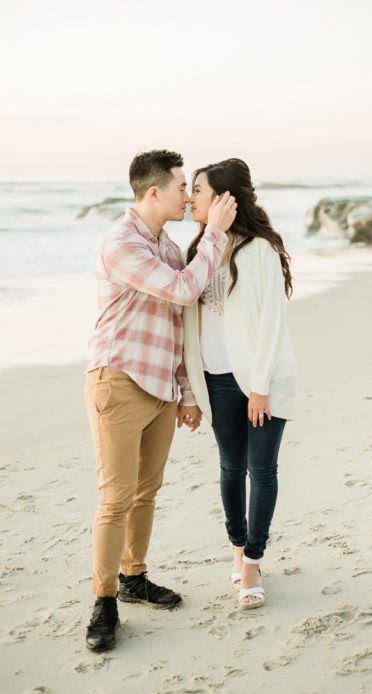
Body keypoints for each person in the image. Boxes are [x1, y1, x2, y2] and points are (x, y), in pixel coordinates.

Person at [84, 150, 237, 652]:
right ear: (154, 193)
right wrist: (215, 232)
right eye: (180, 189)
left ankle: (134, 577)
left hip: (161, 391)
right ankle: (103, 602)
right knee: (115, 498)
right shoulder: (120, 244)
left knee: (146, 493)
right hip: (120, 382)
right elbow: (180, 292)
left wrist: (187, 394)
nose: (187, 197)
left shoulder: (167, 246)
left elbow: (178, 326)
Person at [182, 158, 296, 610]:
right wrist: (190, 387)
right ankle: (236, 545)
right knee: (231, 468)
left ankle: (253, 559)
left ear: (224, 199)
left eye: (198, 190)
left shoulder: (259, 251)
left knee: (262, 469)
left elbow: (272, 322)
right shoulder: (199, 251)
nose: (190, 197)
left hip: (260, 380)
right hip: (214, 379)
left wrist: (260, 385)